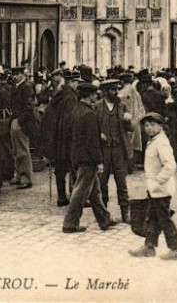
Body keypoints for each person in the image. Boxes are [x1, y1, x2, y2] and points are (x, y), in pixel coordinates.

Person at [129, 113, 177, 260]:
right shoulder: (153, 140)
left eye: (153, 125)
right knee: (152, 218)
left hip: (161, 190)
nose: (149, 128)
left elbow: (170, 165)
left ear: (160, 126)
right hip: (155, 190)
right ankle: (149, 247)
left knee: (164, 219)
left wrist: (157, 182)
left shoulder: (161, 142)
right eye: (146, 125)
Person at [62, 83, 116, 233]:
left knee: (94, 191)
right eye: (94, 94)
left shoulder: (74, 110)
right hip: (88, 159)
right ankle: (70, 223)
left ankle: (104, 219)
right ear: (90, 95)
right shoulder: (89, 114)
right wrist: (99, 161)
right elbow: (92, 142)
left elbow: (71, 134)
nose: (96, 96)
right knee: (80, 191)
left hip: (76, 155)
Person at [94, 79, 133, 223]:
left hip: (118, 149)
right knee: (102, 182)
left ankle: (125, 211)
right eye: (112, 90)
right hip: (103, 150)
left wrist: (128, 121)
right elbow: (91, 127)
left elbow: (131, 129)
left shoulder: (122, 106)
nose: (116, 92)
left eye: (117, 89)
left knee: (121, 181)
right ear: (105, 92)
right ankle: (103, 213)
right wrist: (99, 134)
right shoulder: (97, 107)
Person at [42, 69, 79, 206]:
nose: (77, 85)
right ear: (72, 82)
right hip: (67, 137)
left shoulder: (58, 95)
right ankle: (75, 196)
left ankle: (62, 197)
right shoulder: (71, 97)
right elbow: (71, 118)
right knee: (74, 166)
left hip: (56, 136)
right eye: (76, 82)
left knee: (60, 168)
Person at [9, 66, 37, 190]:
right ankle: (19, 175)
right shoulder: (18, 87)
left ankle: (26, 177)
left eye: (17, 74)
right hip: (16, 120)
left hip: (21, 122)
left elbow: (29, 107)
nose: (14, 77)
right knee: (16, 150)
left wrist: (19, 121)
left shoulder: (26, 88)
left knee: (22, 150)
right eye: (13, 74)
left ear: (22, 74)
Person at [119, 73, 145, 172]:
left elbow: (120, 109)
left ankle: (126, 167)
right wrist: (137, 119)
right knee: (134, 144)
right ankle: (131, 166)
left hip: (125, 121)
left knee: (125, 143)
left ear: (122, 82)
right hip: (136, 122)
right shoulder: (137, 93)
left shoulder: (121, 93)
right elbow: (142, 109)